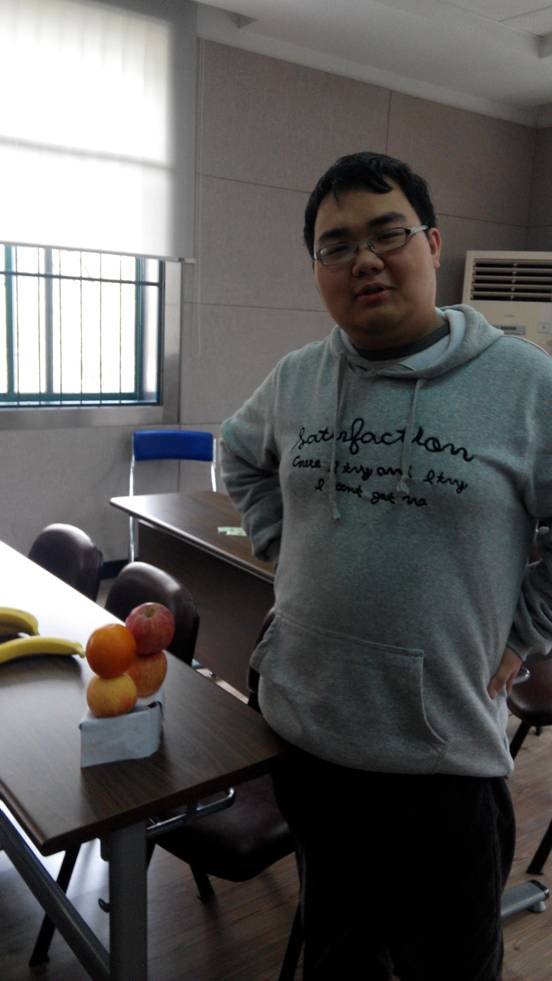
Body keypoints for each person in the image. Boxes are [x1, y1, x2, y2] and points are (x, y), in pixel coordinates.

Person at [220, 151, 552, 980]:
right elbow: (237, 452)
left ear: (432, 243)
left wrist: (524, 633)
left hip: (441, 761)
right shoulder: (298, 377)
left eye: (387, 233)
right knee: (339, 958)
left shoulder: (526, 386)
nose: (363, 260)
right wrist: (282, 542)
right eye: (336, 246)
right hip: (309, 742)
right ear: (318, 270)